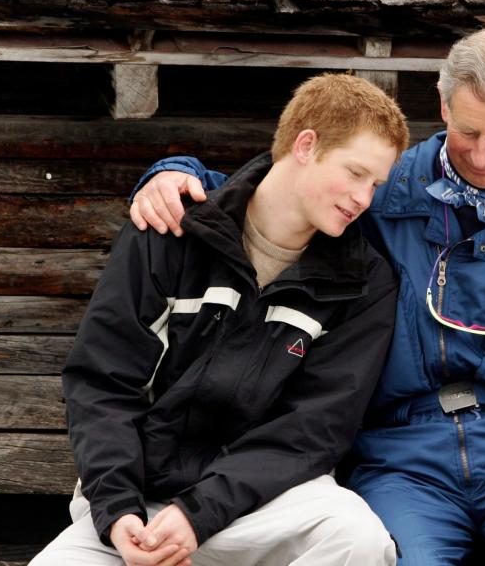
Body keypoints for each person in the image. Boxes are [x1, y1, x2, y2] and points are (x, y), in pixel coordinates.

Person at [128, 27, 485, 565]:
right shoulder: (379, 189)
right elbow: (277, 192)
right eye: (468, 132)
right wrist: (176, 173)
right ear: (442, 103)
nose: (483, 157)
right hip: (400, 458)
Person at [32, 73, 409, 566]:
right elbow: (103, 383)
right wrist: (118, 512)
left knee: (357, 539)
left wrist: (200, 513)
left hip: (262, 505)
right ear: (306, 144)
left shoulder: (363, 283)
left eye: (376, 184)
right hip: (137, 497)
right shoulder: (169, 232)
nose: (364, 199)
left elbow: (314, 428)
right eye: (356, 173)